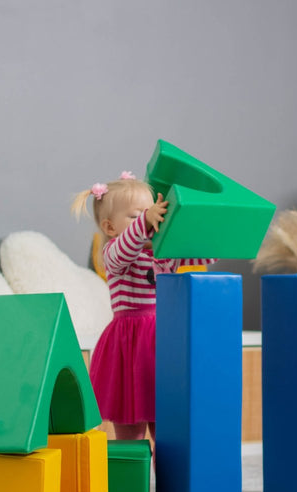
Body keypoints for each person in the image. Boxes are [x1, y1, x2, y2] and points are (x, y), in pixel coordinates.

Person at [71, 172, 214, 445]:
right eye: (138, 215)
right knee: (131, 429)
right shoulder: (113, 252)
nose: (150, 220)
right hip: (130, 345)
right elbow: (127, 247)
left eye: (153, 214)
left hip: (162, 343)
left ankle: (171, 483)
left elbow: (203, 252)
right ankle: (131, 480)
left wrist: (208, 229)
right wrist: (144, 222)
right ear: (110, 227)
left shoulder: (163, 253)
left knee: (168, 428)